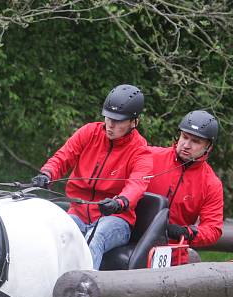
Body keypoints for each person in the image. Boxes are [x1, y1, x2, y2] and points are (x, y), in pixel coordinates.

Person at [32, 84, 152, 269]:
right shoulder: (89, 132)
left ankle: (82, 293)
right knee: (52, 235)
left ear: (134, 122)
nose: (110, 125)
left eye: (118, 121)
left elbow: (136, 185)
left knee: (95, 238)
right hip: (79, 212)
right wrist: (47, 173)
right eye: (108, 117)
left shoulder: (141, 151)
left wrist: (119, 202)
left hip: (115, 219)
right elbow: (64, 156)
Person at [147, 110, 223, 263]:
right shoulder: (150, 156)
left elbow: (213, 229)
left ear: (208, 147)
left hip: (173, 253)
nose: (186, 145)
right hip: (133, 239)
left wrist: (187, 232)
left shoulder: (211, 183)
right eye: (184, 137)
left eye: (195, 141)